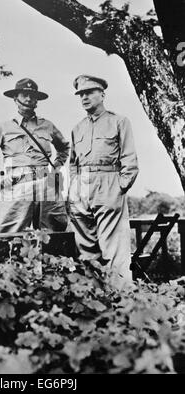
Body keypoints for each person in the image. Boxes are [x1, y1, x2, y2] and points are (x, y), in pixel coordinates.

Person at [0, 78, 70, 233]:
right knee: (9, 235)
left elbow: (64, 148)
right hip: (16, 185)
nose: (29, 99)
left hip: (46, 184)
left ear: (37, 100)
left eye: (32, 95)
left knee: (54, 232)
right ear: (15, 98)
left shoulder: (47, 126)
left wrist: (56, 168)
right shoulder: (5, 127)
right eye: (24, 95)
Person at [68, 74, 139, 284]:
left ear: (102, 94)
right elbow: (73, 163)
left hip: (108, 183)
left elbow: (130, 160)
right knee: (86, 250)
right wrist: (73, 187)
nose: (84, 97)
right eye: (81, 94)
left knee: (114, 249)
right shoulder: (77, 127)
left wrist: (119, 187)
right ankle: (95, 300)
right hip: (81, 187)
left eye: (89, 92)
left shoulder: (119, 121)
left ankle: (121, 303)